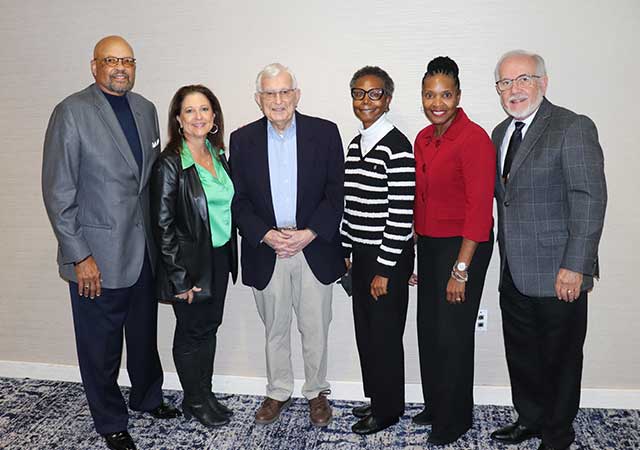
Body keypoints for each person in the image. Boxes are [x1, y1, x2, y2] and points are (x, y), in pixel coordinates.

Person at [41, 36, 179, 450]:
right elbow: (58, 192)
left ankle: (147, 397)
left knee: (142, 335)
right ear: (94, 66)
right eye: (111, 60)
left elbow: (148, 183)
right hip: (96, 257)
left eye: (127, 60)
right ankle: (110, 421)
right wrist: (79, 255)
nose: (120, 67)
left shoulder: (146, 110)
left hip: (142, 253)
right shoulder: (71, 112)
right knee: (100, 348)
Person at [490, 50, 607, 450]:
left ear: (543, 81)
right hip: (514, 272)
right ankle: (530, 419)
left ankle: (557, 434)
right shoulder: (499, 133)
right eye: (505, 83)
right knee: (521, 355)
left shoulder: (571, 126)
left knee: (560, 358)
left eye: (523, 79)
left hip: (560, 271)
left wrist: (576, 265)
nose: (514, 89)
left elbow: (589, 199)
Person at [230, 63, 345, 428]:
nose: (277, 100)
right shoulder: (242, 139)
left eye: (284, 92)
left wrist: (309, 232)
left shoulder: (325, 133)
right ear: (258, 98)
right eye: (269, 93)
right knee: (275, 328)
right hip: (268, 248)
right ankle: (278, 390)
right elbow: (239, 201)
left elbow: (337, 193)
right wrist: (266, 234)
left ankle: (316, 393)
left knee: (315, 326)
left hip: (313, 246)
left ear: (296, 94)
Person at [412, 56, 496, 445]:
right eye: (430, 95)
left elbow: (479, 211)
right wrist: (417, 256)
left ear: (458, 95)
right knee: (428, 330)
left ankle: (456, 416)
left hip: (465, 246)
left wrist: (460, 270)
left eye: (445, 94)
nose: (437, 102)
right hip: (429, 246)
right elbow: (421, 200)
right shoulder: (423, 139)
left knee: (453, 335)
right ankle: (436, 404)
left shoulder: (474, 138)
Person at [151, 85, 237, 428]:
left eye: (204, 109)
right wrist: (179, 277)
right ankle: (195, 400)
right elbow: (162, 225)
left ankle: (205, 392)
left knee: (209, 329)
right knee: (190, 332)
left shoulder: (217, 156)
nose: (198, 116)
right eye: (190, 111)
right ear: (178, 119)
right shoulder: (171, 163)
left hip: (218, 258)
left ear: (214, 117)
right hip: (189, 264)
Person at [340, 66, 415, 435]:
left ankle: (387, 411)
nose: (365, 101)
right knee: (367, 333)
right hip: (362, 254)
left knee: (385, 336)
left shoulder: (397, 146)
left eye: (374, 93)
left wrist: (384, 269)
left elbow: (402, 214)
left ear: (387, 98)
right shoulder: (355, 145)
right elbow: (350, 204)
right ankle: (380, 399)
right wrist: (346, 249)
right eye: (358, 93)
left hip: (390, 256)